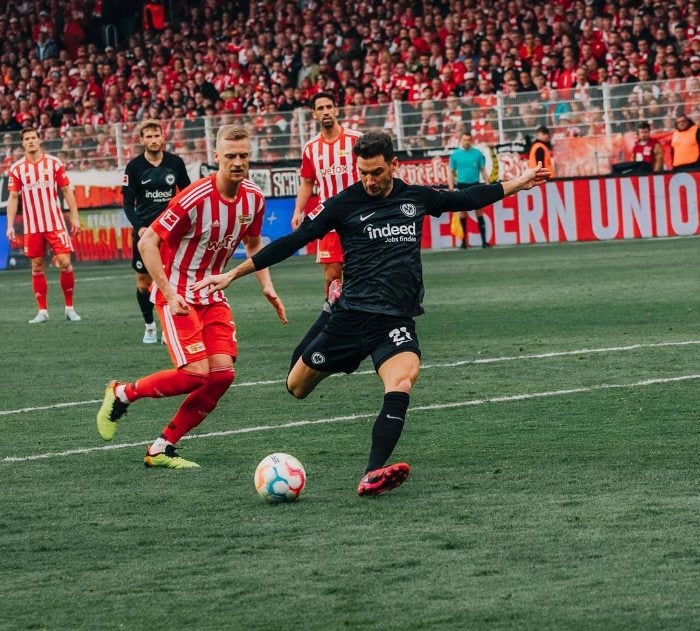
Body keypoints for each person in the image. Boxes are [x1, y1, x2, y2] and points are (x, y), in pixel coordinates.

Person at [192, 130, 550, 495]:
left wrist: (518, 183)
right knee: (296, 387)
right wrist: (235, 272)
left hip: (394, 319)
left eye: (376, 172)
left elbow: (465, 198)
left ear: (394, 165)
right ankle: (327, 308)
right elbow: (293, 242)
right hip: (350, 316)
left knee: (402, 381)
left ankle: (372, 473)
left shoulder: (415, 198)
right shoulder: (344, 203)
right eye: (363, 172)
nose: (369, 180)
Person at [96, 124, 288, 469]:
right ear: (216, 157)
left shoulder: (254, 198)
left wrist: (266, 284)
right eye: (230, 156)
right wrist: (168, 293)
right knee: (194, 374)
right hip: (177, 291)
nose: (238, 162)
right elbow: (147, 242)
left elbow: (254, 243)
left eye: (244, 155)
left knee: (222, 376)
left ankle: (161, 448)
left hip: (212, 294)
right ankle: (122, 392)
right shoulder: (194, 197)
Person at [122, 119, 191, 343]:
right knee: (143, 282)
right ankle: (149, 326)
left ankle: (166, 327)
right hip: (145, 233)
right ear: (142, 140)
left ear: (163, 137)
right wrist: (139, 227)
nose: (153, 140)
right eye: (148, 136)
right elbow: (127, 203)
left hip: (170, 232)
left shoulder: (176, 163)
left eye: (156, 135)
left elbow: (187, 194)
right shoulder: (134, 167)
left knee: (170, 280)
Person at [5, 127, 81, 324]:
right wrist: (10, 225)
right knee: (37, 267)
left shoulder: (54, 163)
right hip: (32, 227)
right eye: (26, 139)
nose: (30, 141)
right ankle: (43, 311)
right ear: (22, 143)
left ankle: (69, 308)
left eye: (33, 138)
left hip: (54, 223)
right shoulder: (17, 168)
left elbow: (66, 190)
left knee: (65, 262)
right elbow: (13, 198)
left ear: (39, 140)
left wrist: (74, 217)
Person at [291, 92, 363, 297]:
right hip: (329, 218)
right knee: (332, 276)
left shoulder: (356, 140)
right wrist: (298, 211)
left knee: (361, 273)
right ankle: (334, 318)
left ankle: (364, 318)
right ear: (314, 114)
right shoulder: (310, 148)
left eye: (329, 107)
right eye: (320, 108)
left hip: (359, 216)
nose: (325, 112)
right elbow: (307, 182)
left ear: (336, 110)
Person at [447, 132, 491, 248]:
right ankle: (463, 242)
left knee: (479, 211)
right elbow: (451, 172)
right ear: (461, 140)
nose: (467, 141)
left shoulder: (477, 154)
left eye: (468, 139)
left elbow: (483, 170)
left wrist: (488, 185)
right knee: (462, 213)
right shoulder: (455, 155)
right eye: (465, 139)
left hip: (475, 185)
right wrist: (451, 186)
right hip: (462, 185)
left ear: (471, 140)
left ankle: (484, 242)